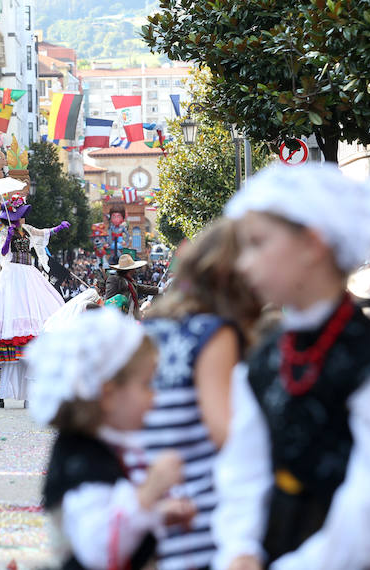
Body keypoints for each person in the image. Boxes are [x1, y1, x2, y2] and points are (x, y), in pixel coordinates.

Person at [213, 163, 370, 570]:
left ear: (312, 244)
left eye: (258, 243)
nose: (243, 263)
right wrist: (239, 548)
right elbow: (242, 469)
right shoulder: (266, 357)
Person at [26, 308, 197, 570]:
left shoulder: (97, 447)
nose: (154, 397)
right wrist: (149, 492)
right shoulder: (82, 460)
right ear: (108, 395)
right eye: (146, 385)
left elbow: (111, 513)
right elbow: (99, 548)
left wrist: (155, 513)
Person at [138, 220, 263, 570]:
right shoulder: (212, 333)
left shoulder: (155, 329)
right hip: (199, 517)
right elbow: (225, 433)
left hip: (153, 507)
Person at [0, 195, 69, 408]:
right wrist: (7, 238)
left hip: (29, 273)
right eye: (18, 216)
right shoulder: (4, 232)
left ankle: (30, 386)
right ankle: (9, 386)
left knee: (38, 308)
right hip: (14, 274)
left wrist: (58, 228)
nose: (21, 219)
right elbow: (4, 254)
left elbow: (42, 233)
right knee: (15, 310)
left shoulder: (26, 230)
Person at [105, 254, 161, 319]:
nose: (135, 270)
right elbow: (109, 300)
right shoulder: (114, 279)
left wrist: (160, 290)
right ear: (130, 270)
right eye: (134, 268)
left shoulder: (130, 281)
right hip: (120, 318)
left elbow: (142, 288)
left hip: (131, 317)